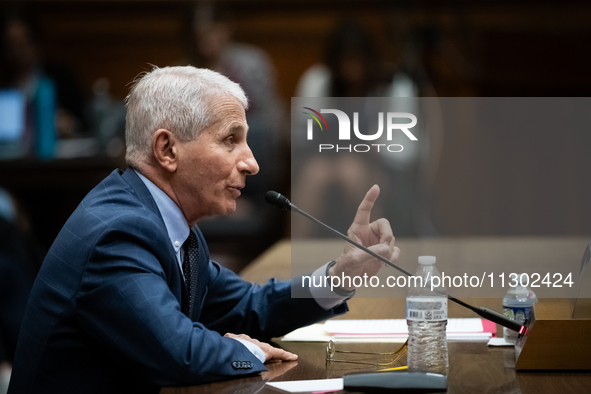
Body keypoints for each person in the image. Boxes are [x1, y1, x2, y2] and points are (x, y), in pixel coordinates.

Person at [8, 66, 399, 394]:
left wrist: (338, 276)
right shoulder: (120, 233)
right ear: (167, 150)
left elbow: (248, 307)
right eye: (231, 140)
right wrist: (250, 353)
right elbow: (178, 353)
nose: (252, 163)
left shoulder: (171, 225)